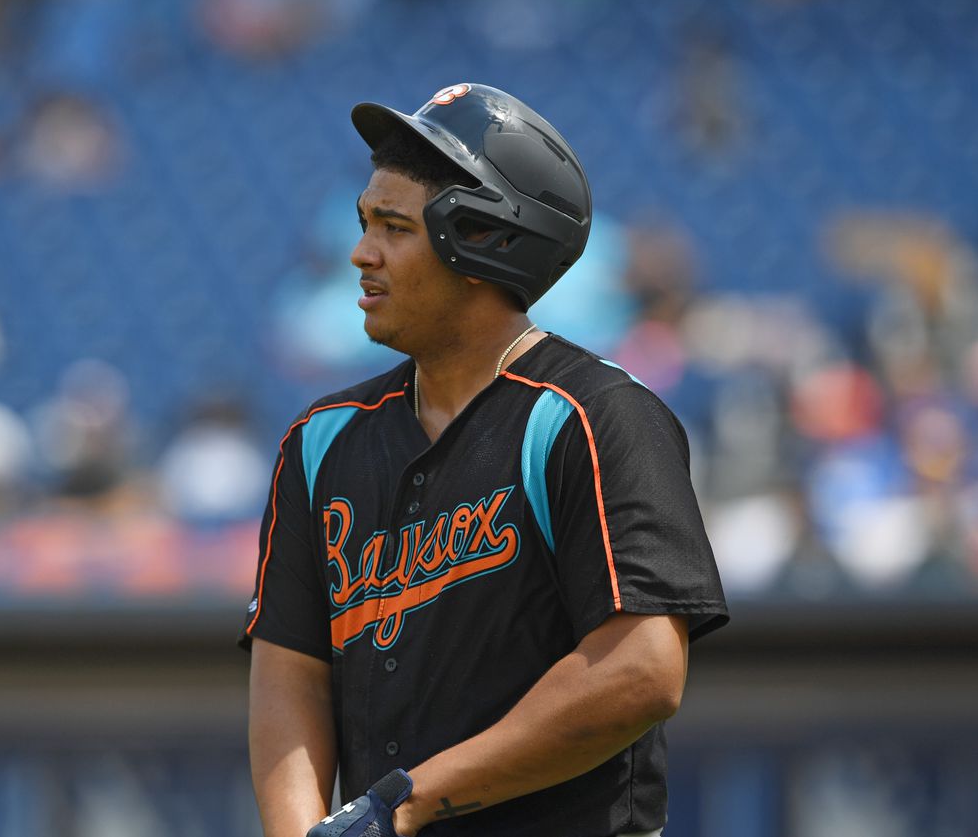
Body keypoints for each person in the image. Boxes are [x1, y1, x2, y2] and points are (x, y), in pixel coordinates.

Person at [240, 83, 728, 837]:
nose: (360, 253)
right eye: (366, 222)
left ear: (482, 241)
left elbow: (642, 670)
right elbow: (290, 671)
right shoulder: (320, 441)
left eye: (393, 227)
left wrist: (407, 801)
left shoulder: (593, 418)